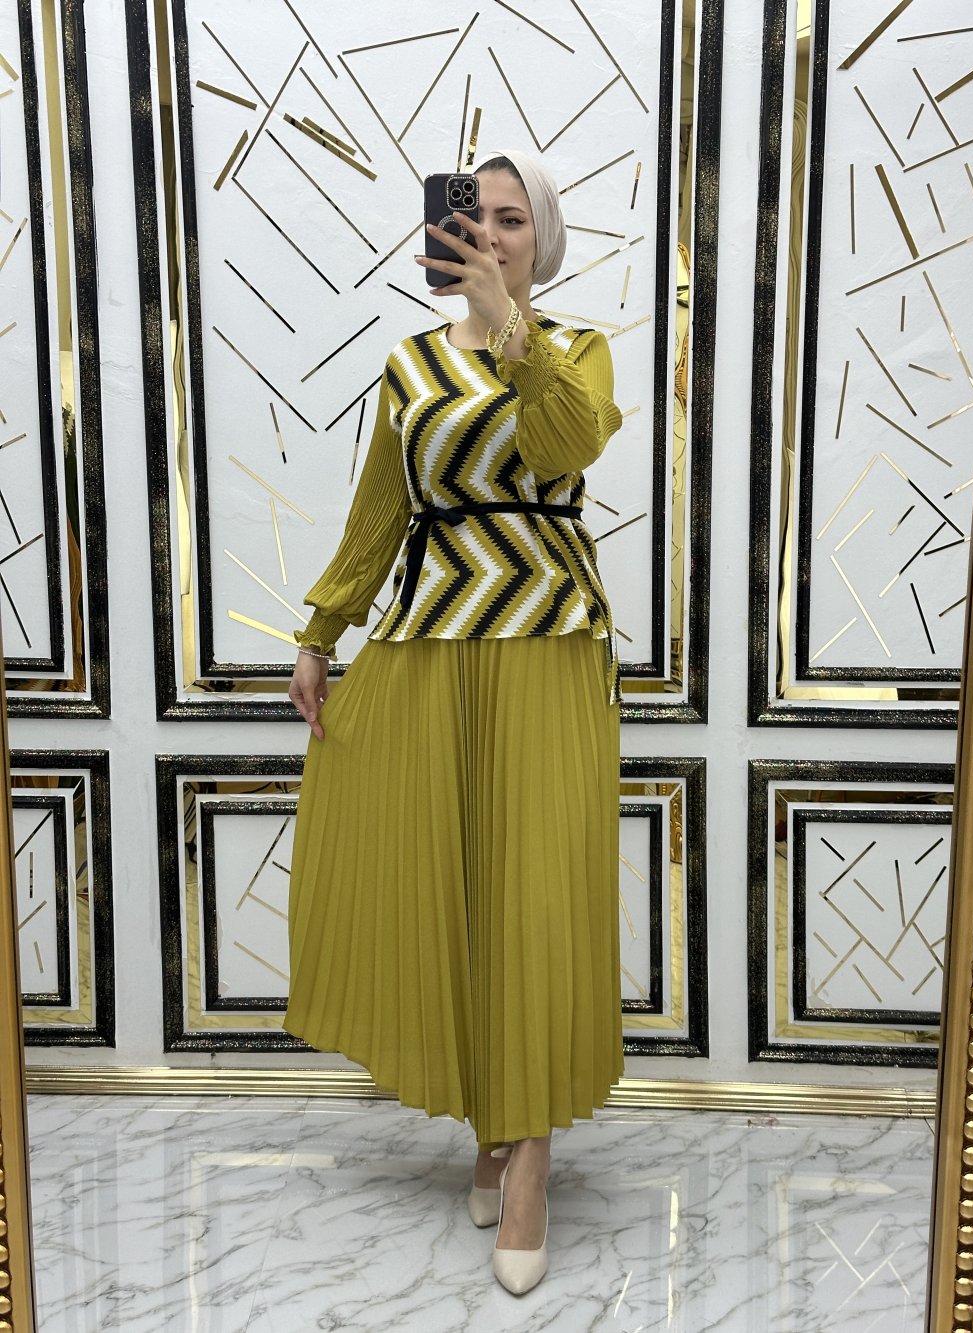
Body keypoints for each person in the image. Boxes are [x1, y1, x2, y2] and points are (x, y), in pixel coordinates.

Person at [284, 147, 624, 1295]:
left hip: (547, 643)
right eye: (474, 214)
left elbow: (567, 444)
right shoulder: (409, 362)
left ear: (542, 237)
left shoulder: (574, 350)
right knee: (454, 890)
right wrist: (322, 629)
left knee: (536, 894)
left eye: (513, 218)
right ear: (442, 228)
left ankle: (528, 1159)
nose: (492, 233)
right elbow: (381, 508)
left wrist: (512, 329)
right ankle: (492, 1120)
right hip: (429, 642)